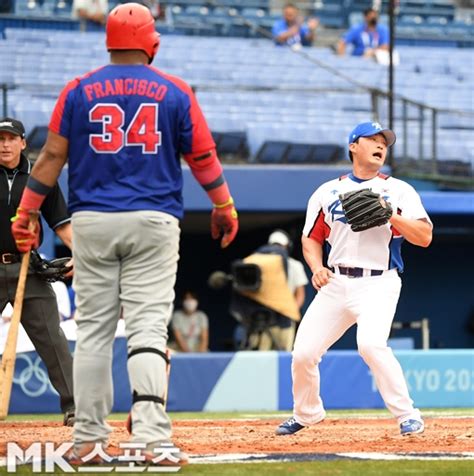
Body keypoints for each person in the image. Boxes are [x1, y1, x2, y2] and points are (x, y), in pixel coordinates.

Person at [11, 3, 238, 466]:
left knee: (93, 333)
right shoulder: (174, 90)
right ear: (149, 41)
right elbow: (203, 157)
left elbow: (52, 157)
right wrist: (223, 204)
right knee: (147, 329)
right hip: (154, 221)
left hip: (93, 219)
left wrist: (26, 211)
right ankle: (154, 440)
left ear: (110, 39)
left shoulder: (78, 89)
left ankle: (88, 442)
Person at [276, 121, 432, 437]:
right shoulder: (326, 192)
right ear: (353, 146)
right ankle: (307, 414)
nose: (380, 145)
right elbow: (311, 239)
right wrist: (317, 268)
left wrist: (392, 215)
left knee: (371, 345)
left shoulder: (399, 190)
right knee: (304, 353)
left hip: (379, 281)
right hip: (336, 282)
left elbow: (425, 236)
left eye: (384, 142)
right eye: (372, 139)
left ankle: (407, 415)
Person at [0, 117, 75, 426]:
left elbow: (61, 221)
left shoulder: (40, 177)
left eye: (10, 138)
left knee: (53, 341)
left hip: (27, 269)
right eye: (0, 138)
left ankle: (75, 408)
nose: (4, 144)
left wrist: (80, 256)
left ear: (22, 143)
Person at [251, 230, 308, 351]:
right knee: (262, 357)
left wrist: (290, 311)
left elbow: (300, 294)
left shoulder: (295, 265)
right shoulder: (260, 265)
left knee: (285, 355)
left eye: (280, 247)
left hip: (285, 319)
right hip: (264, 317)